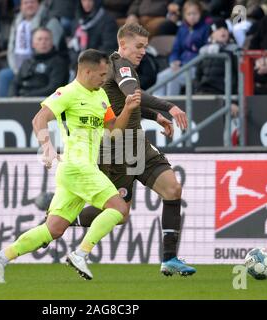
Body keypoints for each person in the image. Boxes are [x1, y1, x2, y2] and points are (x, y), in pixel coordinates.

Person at [0, 49, 142, 283]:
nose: (104, 79)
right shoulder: (66, 93)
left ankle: (1, 257)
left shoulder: (101, 97)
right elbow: (39, 119)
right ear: (86, 71)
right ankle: (81, 254)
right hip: (77, 165)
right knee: (119, 210)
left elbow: (114, 132)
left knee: (54, 229)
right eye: (101, 74)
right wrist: (47, 147)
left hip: (77, 170)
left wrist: (128, 109)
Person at [66, 23, 196, 277]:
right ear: (122, 45)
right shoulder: (120, 65)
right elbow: (133, 93)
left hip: (137, 144)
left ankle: (169, 259)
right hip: (116, 150)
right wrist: (168, 107)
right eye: (138, 46)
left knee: (172, 189)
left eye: (145, 47)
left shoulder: (120, 70)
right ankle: (66, 215)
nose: (143, 52)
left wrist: (153, 116)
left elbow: (127, 102)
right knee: (120, 213)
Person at [0, 0, 65, 97]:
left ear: (39, 4)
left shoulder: (50, 21)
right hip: (24, 65)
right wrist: (16, 69)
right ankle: (4, 108)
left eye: (32, 2)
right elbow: (11, 47)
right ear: (21, 6)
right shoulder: (17, 21)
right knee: (4, 76)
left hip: (45, 66)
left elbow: (51, 48)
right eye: (25, 3)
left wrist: (26, 96)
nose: (29, 5)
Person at [153, 0, 210, 96]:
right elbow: (176, 49)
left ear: (200, 13)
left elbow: (205, 49)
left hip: (196, 67)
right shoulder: (182, 29)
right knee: (161, 77)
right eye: (189, 14)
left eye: (195, 13)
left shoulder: (206, 28)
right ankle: (156, 108)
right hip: (181, 65)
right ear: (184, 15)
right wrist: (174, 61)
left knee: (173, 78)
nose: (192, 17)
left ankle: (170, 109)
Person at [10, 27, 69, 97]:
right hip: (21, 101)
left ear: (52, 42)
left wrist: (26, 97)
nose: (43, 42)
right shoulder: (27, 62)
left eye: (46, 39)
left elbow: (53, 89)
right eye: (39, 39)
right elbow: (14, 83)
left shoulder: (59, 63)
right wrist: (13, 98)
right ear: (33, 44)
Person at [68, 0, 118, 75]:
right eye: (84, 0)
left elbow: (109, 47)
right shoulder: (77, 20)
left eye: (90, 0)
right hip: (78, 64)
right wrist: (76, 59)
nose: (87, 3)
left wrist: (88, 60)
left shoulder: (107, 20)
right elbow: (72, 45)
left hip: (97, 64)